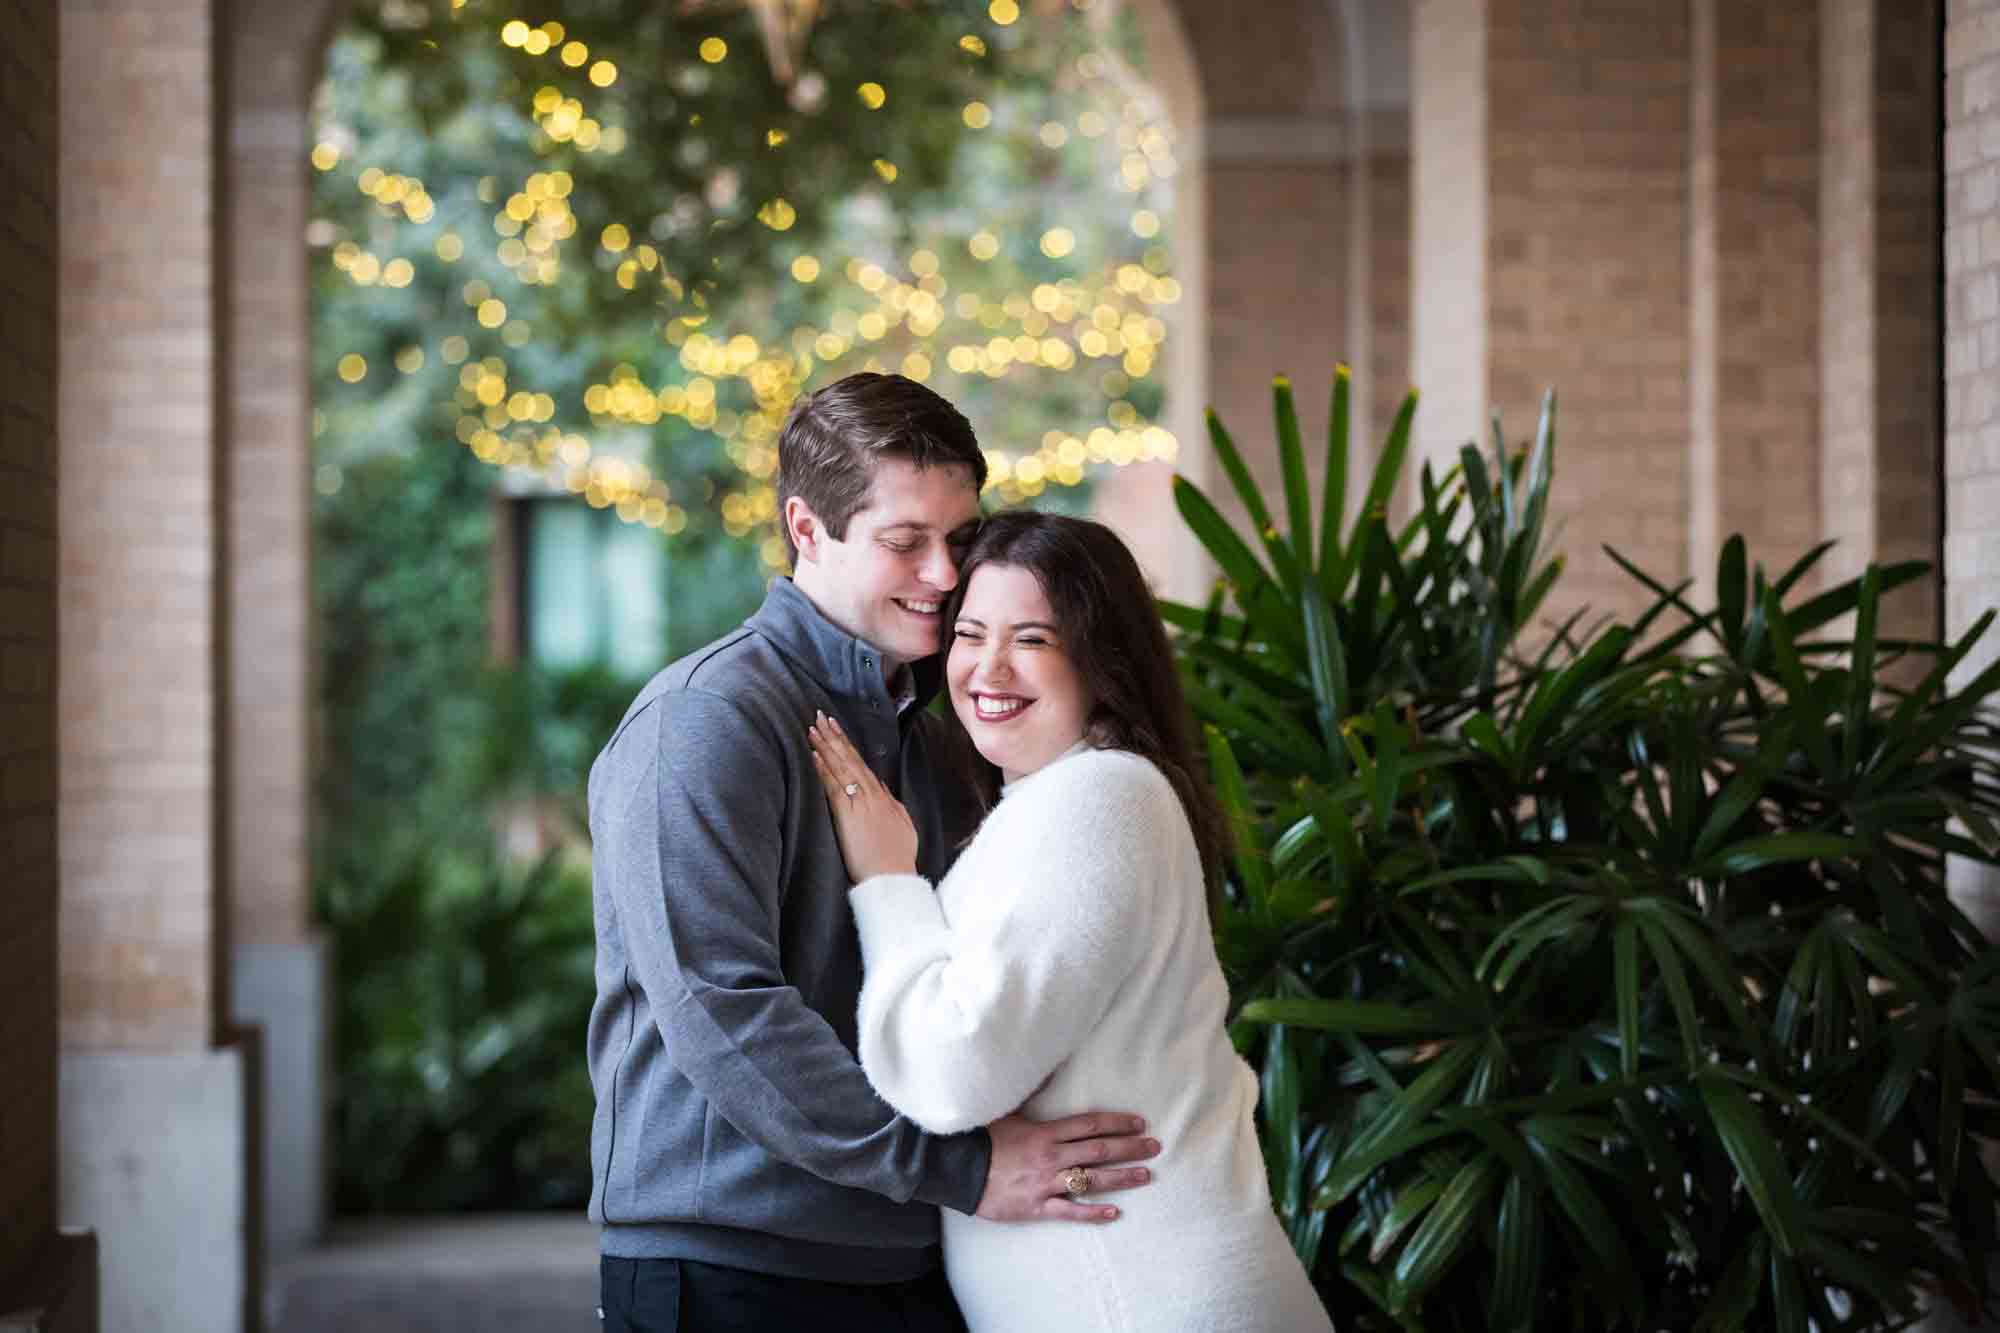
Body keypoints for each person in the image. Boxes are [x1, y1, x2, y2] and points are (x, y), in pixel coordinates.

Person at [586, 374, 1162, 1333]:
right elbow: (721, 1008)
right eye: (906, 542)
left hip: (905, 1255)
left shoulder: (939, 730)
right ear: (808, 530)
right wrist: (967, 1167)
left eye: (962, 540)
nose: (944, 574)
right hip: (731, 1265)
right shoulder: (704, 720)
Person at [807, 511, 1334, 1333]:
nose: (988, 667)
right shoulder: (1054, 802)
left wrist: (886, 881)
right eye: (971, 633)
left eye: (1033, 640)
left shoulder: (1099, 798)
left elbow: (954, 1071)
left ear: (1101, 659)